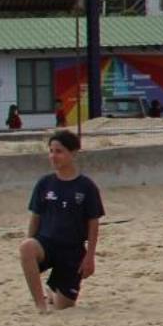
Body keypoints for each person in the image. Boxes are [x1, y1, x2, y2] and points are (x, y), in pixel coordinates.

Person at [17, 129, 105, 314]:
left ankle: (52, 290)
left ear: (72, 153)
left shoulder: (86, 186)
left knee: (63, 305)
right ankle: (40, 304)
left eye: (59, 151)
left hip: (72, 251)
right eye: (51, 151)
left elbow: (93, 223)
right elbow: (36, 217)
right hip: (47, 244)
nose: (53, 156)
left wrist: (89, 257)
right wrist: (30, 244)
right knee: (26, 247)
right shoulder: (44, 183)